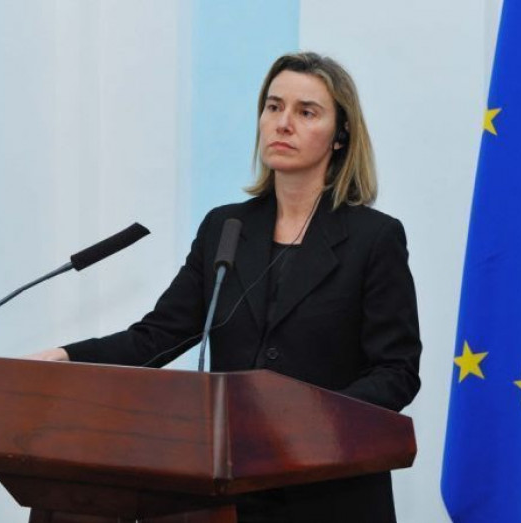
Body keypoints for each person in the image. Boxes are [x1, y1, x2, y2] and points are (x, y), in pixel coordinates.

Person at [29, 51, 421, 523]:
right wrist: (67, 359)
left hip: (328, 492)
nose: (283, 123)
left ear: (341, 136)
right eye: (273, 107)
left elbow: (396, 370)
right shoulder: (227, 228)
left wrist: (313, 420)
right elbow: (158, 337)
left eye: (306, 112)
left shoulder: (373, 238)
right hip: (229, 494)